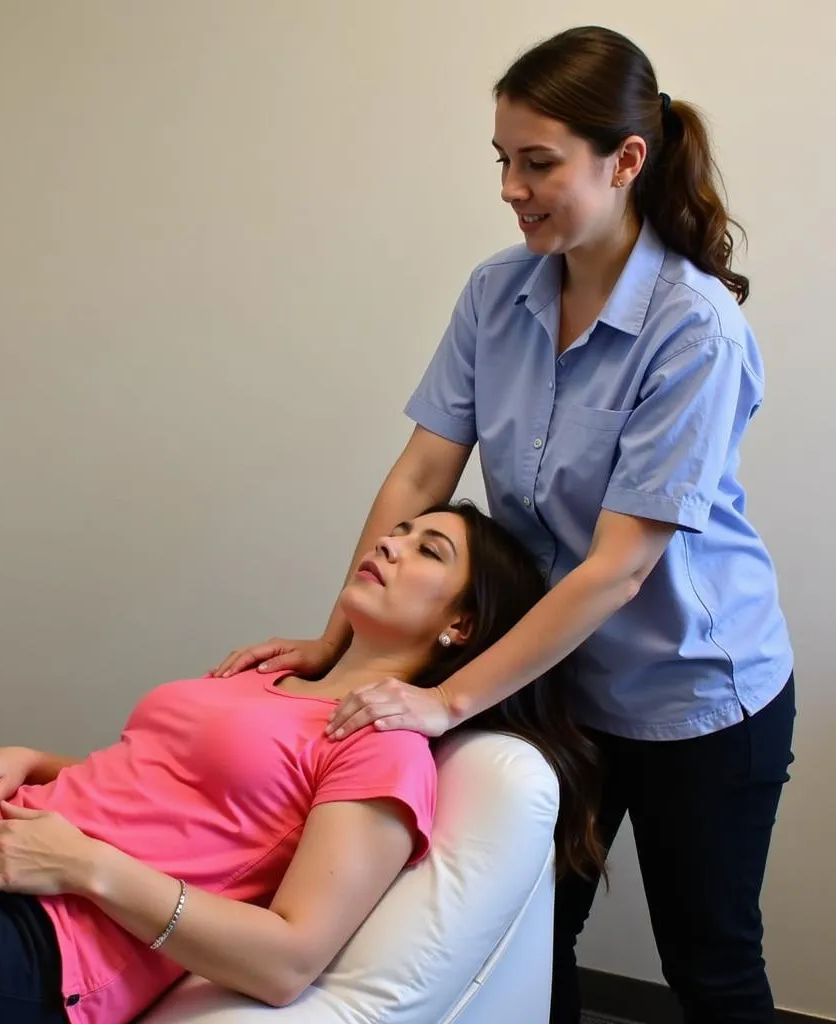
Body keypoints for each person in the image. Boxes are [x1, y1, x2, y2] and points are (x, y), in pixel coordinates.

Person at [214, 25, 795, 1024]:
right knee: (526, 926)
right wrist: (338, 640)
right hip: (553, 680)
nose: (511, 188)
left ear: (624, 162)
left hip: (693, 693)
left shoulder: (694, 327)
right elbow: (421, 473)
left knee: (710, 963)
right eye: (502, 162)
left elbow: (617, 568)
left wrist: (443, 704)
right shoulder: (497, 292)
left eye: (538, 164)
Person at [0, 503, 602, 1024]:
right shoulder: (272, 672)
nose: (389, 544)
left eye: (427, 549)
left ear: (461, 624)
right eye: (397, 532)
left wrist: (89, 867)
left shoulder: (382, 746)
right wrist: (33, 760)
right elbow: (168, 792)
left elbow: (288, 959)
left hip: (42, 939)